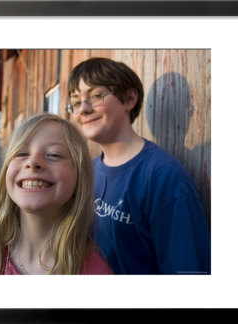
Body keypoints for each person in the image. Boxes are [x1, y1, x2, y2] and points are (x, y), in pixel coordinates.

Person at [67, 57, 211, 274]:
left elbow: (187, 273)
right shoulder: (87, 172)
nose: (83, 109)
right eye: (76, 102)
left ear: (129, 98)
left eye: (96, 96)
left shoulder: (164, 177)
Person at [0, 113, 112, 275]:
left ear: (79, 178)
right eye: (21, 154)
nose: (33, 162)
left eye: (53, 155)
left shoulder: (94, 273)